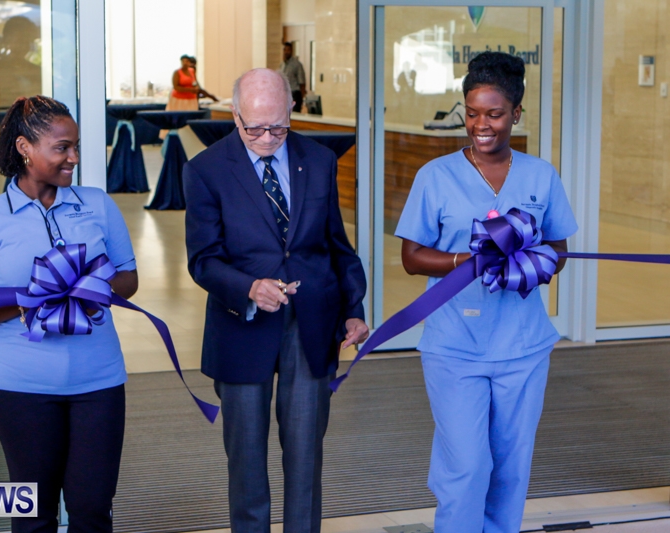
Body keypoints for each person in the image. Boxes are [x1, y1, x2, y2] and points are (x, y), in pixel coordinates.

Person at [396, 52, 578, 533]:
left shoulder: (540, 175)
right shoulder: (436, 176)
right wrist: (471, 261)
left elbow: (559, 250)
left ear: (516, 113)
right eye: (472, 112)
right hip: (455, 346)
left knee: (511, 467)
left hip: (523, 346)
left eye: (494, 114)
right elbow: (412, 257)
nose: (481, 125)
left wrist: (528, 264)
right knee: (467, 466)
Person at [184, 68, 368, 533]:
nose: (267, 138)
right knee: (246, 460)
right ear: (235, 116)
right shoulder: (205, 169)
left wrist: (353, 309)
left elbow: (337, 246)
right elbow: (203, 260)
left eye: (278, 127)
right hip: (241, 326)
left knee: (306, 455)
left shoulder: (319, 160)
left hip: (312, 323)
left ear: (291, 112)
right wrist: (249, 287)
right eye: (255, 129)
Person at [0, 95, 139, 533]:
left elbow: (128, 280)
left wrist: (86, 286)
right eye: (62, 148)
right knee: (33, 513)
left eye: (76, 147)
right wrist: (33, 299)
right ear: (24, 148)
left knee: (93, 508)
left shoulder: (98, 205)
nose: (74, 158)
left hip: (99, 380)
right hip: (21, 384)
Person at [279, 42, 306, 112]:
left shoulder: (297, 64)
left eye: (288, 50)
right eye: (285, 50)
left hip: (295, 94)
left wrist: (302, 98)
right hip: (285, 95)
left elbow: (302, 83)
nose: (286, 52)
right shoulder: (282, 65)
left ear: (291, 51)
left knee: (294, 115)